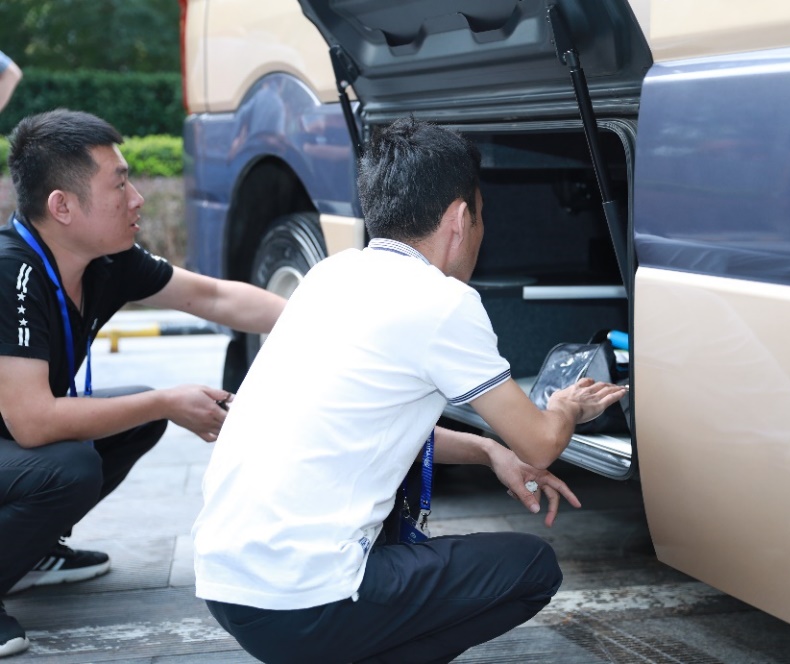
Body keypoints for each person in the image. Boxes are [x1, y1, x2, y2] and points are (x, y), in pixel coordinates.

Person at [192, 117, 627, 664]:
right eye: (483, 216)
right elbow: (541, 443)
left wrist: (489, 450)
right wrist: (565, 405)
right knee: (532, 569)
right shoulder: (442, 301)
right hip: (304, 603)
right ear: (461, 218)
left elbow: (368, 425)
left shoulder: (330, 276)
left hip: (228, 586)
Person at [0, 109, 286, 658]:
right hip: (16, 437)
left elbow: (214, 298)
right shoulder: (11, 273)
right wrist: (164, 399)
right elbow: (32, 422)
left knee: (133, 421)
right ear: (62, 206)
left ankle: (27, 552)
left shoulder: (105, 261)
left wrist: (325, 322)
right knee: (70, 466)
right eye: (119, 183)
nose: (138, 197)